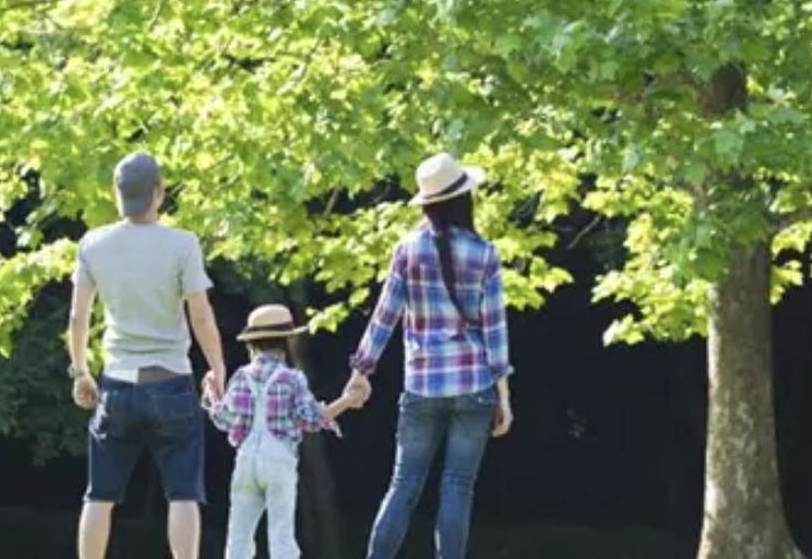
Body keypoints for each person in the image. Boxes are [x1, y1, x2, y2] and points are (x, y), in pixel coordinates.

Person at [348, 152, 515, 559]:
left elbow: (385, 315)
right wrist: (504, 397)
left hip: (421, 384)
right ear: (464, 200)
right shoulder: (485, 252)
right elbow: (495, 330)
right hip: (474, 385)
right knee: (458, 485)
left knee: (404, 483)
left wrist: (361, 369)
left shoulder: (407, 249)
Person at [66, 151, 228, 559]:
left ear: (116, 193)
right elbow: (201, 315)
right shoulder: (182, 243)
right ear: (159, 192)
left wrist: (81, 371)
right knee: (183, 493)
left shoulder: (93, 244)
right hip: (171, 380)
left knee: (99, 494)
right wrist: (218, 367)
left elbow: (78, 314)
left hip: (117, 383)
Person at [206, 304, 372, 559]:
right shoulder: (291, 378)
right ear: (287, 342)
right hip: (279, 461)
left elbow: (225, 419)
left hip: (246, 460)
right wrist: (348, 400)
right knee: (281, 536)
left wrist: (211, 394)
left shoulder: (241, 376)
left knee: (238, 538)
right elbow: (312, 418)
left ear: (253, 343)